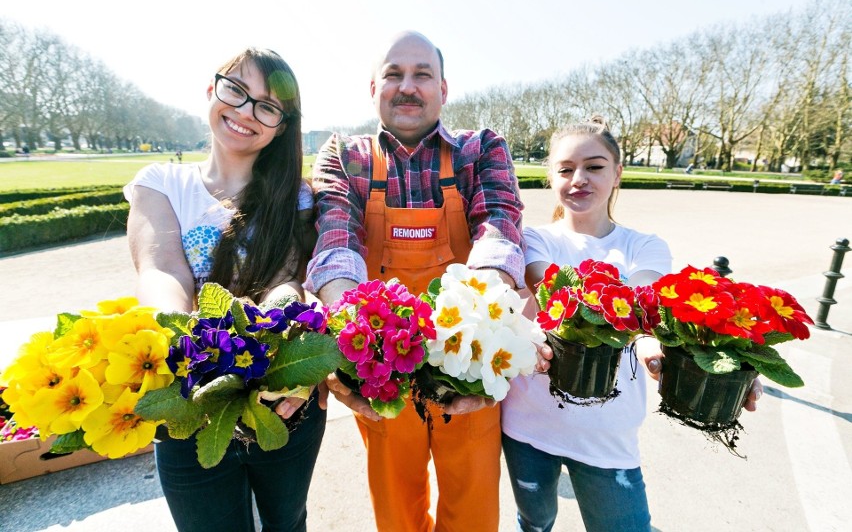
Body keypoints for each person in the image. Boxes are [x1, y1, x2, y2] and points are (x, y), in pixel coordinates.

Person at [307, 31, 525, 532]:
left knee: (471, 501)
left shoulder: (479, 150)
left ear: (443, 90)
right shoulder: (347, 156)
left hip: (463, 355)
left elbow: (499, 224)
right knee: (394, 499)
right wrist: (352, 330)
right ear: (373, 88)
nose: (407, 87)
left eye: (422, 74)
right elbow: (335, 237)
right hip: (384, 359)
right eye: (394, 74)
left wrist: (474, 325)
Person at [500, 117, 763, 532]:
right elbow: (547, 283)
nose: (579, 179)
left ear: (618, 172)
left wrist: (722, 357)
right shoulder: (533, 238)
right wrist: (636, 323)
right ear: (551, 177)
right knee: (535, 521)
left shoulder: (645, 246)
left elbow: (643, 300)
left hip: (608, 434)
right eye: (566, 169)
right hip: (527, 423)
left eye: (595, 166)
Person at [124, 47, 322, 532]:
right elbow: (161, 271)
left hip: (282, 398)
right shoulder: (161, 183)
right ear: (212, 89)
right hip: (188, 398)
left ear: (282, 125)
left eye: (267, 106)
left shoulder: (297, 196)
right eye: (236, 90)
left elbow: (290, 282)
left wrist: (285, 333)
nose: (245, 112)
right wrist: (188, 335)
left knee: (287, 522)